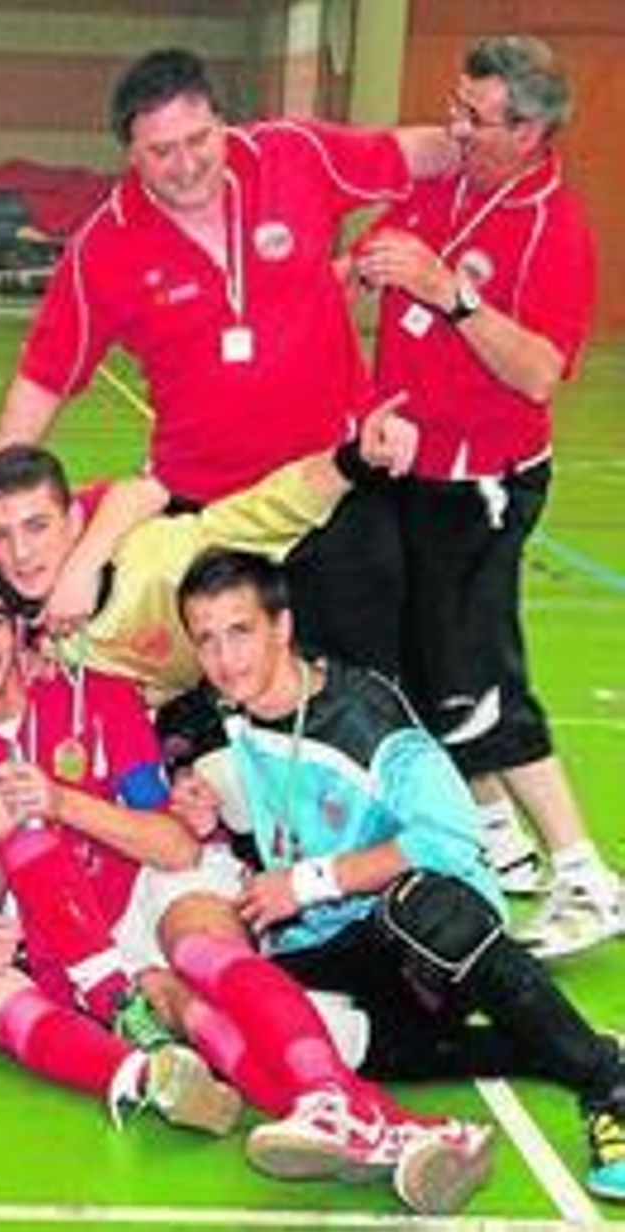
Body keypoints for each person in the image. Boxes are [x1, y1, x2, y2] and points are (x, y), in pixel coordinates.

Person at [0, 552, 491, 1214]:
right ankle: (407, 1133)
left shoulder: (102, 703)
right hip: (60, 946)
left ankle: (325, 1101)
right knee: (192, 1008)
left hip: (140, 891)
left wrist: (63, 801)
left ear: (19, 630)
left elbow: (173, 844)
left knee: (203, 941)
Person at [175, 547, 625, 1202]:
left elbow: (450, 839)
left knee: (427, 908)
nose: (224, 657)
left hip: (428, 944)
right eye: (206, 639)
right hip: (331, 946)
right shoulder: (223, 714)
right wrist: (198, 800)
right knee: (275, 1023)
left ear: (282, 626)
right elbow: (207, 772)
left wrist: (306, 883)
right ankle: (535, 1047)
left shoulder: (367, 718)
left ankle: (605, 1083)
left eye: (240, 631)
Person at [0, 47, 457, 677]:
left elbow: (406, 155)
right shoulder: (104, 248)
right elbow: (45, 376)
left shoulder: (292, 156)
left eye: (199, 139)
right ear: (130, 153)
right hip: (208, 511)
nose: (185, 165)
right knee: (224, 695)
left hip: (336, 483)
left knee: (365, 682)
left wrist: (491, 149)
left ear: (223, 122)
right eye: (161, 151)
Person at [352, 35, 617, 958]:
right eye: (455, 107)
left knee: (479, 684)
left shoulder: (555, 228)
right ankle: (499, 845)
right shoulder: (444, 182)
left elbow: (540, 372)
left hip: (484, 485)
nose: (455, 127)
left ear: (533, 129)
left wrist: (449, 295)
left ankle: (586, 875)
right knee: (424, 667)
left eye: (477, 117)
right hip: (410, 469)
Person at [0, 397, 414, 700]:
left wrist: (355, 458)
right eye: (0, 534)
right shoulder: (14, 625)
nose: (21, 552)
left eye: (36, 527)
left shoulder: (159, 558)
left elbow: (273, 506)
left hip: (298, 668)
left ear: (73, 521)